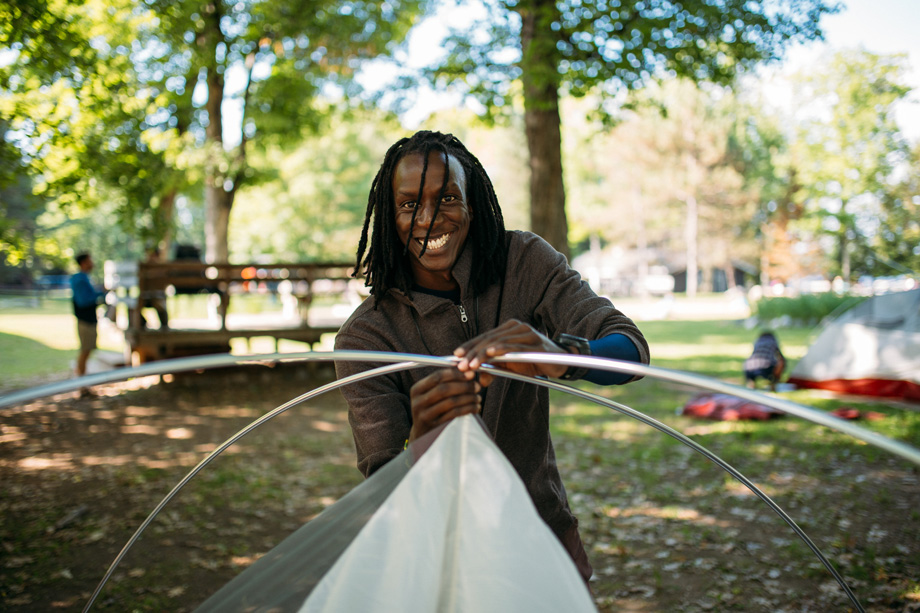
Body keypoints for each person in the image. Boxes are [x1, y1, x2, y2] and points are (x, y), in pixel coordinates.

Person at [334, 131, 650, 583]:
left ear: (472, 203)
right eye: (408, 205)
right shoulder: (366, 338)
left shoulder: (523, 262)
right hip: (439, 563)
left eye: (446, 198)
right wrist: (420, 439)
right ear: (389, 216)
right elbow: (387, 492)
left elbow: (630, 351)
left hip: (543, 535)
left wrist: (558, 355)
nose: (428, 218)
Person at [70, 252, 107, 396]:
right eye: (90, 260)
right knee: (85, 351)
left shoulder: (84, 278)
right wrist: (100, 294)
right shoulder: (79, 279)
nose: (92, 263)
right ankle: (81, 385)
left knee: (87, 350)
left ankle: (82, 384)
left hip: (89, 320)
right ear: (84, 262)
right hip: (85, 320)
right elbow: (83, 300)